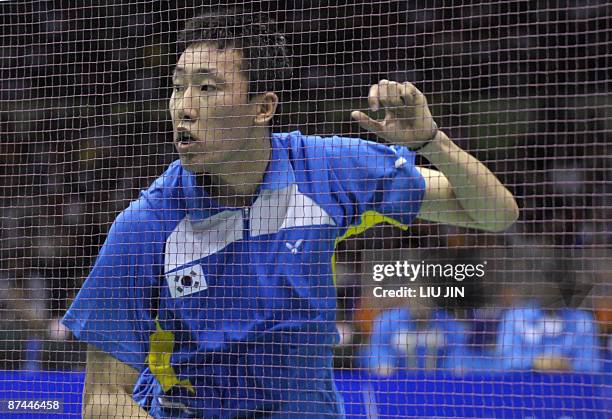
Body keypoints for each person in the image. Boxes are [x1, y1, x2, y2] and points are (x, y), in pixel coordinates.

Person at [61, 8, 519, 418]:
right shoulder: (145, 227)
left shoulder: (327, 171)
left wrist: (431, 142)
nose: (184, 107)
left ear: (263, 107)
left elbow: (495, 214)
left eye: (207, 87)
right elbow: (103, 398)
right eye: (178, 86)